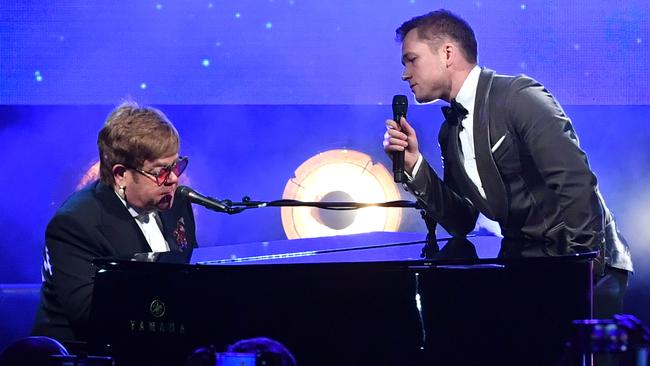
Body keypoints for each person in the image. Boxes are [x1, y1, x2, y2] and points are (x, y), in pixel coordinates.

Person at [382, 9, 633, 317]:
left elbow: (577, 184)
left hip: (586, 263)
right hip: (526, 266)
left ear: (447, 53)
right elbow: (462, 221)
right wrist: (414, 165)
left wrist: (581, 269)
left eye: (412, 59)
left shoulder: (518, 96)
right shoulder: (449, 131)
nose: (405, 74)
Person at [32, 102, 198, 343]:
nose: (173, 179)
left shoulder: (176, 205)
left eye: (176, 166)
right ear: (121, 174)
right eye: (161, 171)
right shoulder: (74, 224)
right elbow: (91, 315)